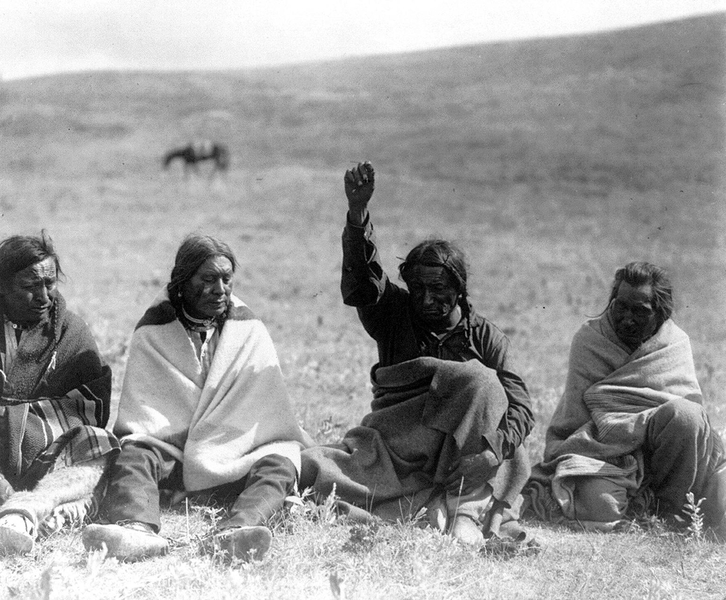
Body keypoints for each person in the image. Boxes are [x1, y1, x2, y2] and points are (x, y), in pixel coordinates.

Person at [299, 162, 535, 546]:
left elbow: (521, 407)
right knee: (320, 472)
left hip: (466, 458)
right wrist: (358, 215)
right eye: (418, 288)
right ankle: (445, 508)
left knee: (485, 387)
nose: (426, 300)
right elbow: (364, 281)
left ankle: (464, 511)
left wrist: (492, 454)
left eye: (439, 289)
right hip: (399, 448)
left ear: (459, 289)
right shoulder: (394, 313)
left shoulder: (487, 338)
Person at [82, 234, 311, 562]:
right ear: (182, 283)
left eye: (227, 279)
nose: (220, 289)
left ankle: (236, 532)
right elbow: (146, 417)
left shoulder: (249, 331)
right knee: (134, 452)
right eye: (208, 279)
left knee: (280, 461)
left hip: (235, 453)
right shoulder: (154, 331)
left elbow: (265, 408)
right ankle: (136, 528)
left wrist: (223, 445)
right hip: (172, 454)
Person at [0, 232, 118, 555]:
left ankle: (27, 512)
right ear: (1, 286)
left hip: (45, 455)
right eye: (29, 287)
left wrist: (14, 421)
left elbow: (91, 405)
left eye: (50, 283)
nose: (44, 296)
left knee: (99, 445)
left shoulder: (73, 333)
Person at [527, 262, 726, 536]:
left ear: (661, 313)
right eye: (621, 307)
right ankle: (639, 502)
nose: (627, 319)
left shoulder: (675, 344)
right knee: (601, 506)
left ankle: (670, 511)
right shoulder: (590, 339)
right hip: (606, 453)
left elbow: (693, 428)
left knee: (686, 415)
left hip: (667, 459)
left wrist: (646, 429)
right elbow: (574, 419)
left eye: (640, 312)